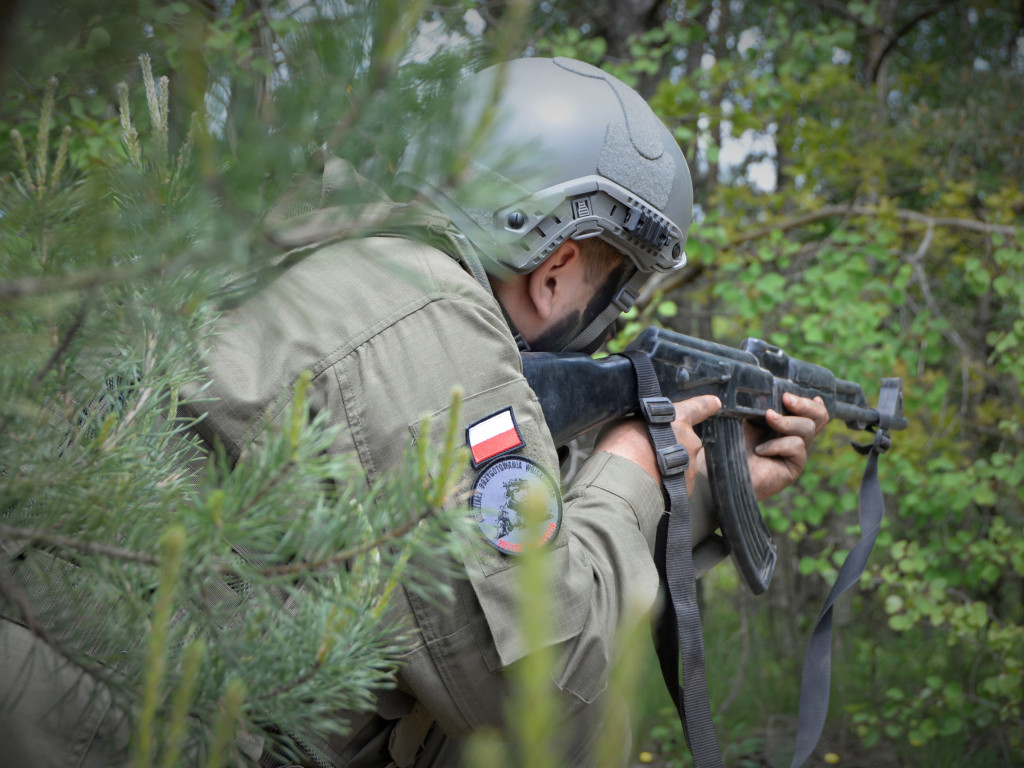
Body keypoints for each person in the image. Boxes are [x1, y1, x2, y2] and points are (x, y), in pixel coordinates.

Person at [0, 56, 827, 767]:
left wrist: (704, 484)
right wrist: (639, 471)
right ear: (556, 268)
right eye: (618, 291)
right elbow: (538, 705)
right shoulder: (428, 319)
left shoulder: (324, 258)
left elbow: (443, 532)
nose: (613, 325)